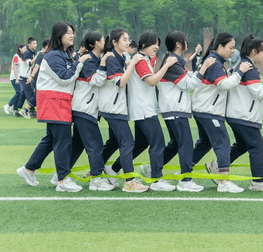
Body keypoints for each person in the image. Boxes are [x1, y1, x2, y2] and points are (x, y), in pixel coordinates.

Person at [16, 22, 89, 192]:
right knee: (63, 141)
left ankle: (28, 169)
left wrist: (77, 58)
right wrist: (80, 62)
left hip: (59, 101)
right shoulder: (54, 55)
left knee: (51, 140)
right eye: (68, 33)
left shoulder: (62, 54)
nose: (72, 36)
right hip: (54, 101)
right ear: (59, 35)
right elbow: (65, 78)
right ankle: (62, 180)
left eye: (73, 32)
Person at [108, 32, 179, 192]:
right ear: (144, 45)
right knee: (158, 143)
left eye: (158, 44)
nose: (157, 47)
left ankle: (113, 169)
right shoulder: (140, 61)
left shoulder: (143, 59)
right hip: (144, 110)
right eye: (154, 44)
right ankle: (156, 179)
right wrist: (166, 65)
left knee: (141, 144)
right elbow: (152, 81)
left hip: (142, 109)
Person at [192, 32, 252, 193]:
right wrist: (240, 72)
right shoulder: (215, 63)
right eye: (230, 47)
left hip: (203, 109)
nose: (233, 51)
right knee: (223, 143)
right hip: (209, 111)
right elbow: (223, 85)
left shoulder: (214, 60)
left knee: (205, 143)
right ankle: (224, 181)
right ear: (219, 47)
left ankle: (184, 172)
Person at [154, 31, 213, 192]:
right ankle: (185, 180)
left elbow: (188, 79)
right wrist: (205, 67)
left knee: (175, 144)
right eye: (185, 40)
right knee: (185, 143)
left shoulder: (175, 61)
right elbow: (188, 85)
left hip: (174, 108)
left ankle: (154, 169)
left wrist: (201, 70)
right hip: (175, 109)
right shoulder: (172, 62)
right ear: (179, 44)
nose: (188, 42)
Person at [225, 34, 263, 192]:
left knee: (242, 145)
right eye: (262, 52)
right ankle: (258, 181)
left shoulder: (244, 64)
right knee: (257, 146)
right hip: (243, 116)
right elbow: (259, 93)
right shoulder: (249, 68)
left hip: (237, 114)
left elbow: (257, 89)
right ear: (254, 52)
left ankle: (218, 166)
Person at [63, 31, 115, 191]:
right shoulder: (90, 60)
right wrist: (105, 62)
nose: (103, 42)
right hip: (84, 109)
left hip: (85, 108)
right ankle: (96, 179)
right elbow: (97, 81)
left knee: (78, 145)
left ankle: (61, 174)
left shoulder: (94, 59)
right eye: (100, 40)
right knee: (95, 144)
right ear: (93, 44)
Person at [99, 28, 149, 193]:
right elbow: (120, 82)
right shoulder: (112, 58)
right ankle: (129, 182)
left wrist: (130, 61)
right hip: (114, 109)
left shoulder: (120, 57)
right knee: (127, 142)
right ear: (114, 42)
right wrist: (133, 63)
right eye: (125, 39)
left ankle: (95, 171)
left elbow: (123, 67)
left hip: (115, 108)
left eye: (128, 39)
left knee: (114, 142)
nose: (128, 42)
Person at [16, 37, 39, 119]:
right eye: (33, 43)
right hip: (24, 77)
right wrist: (37, 56)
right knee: (30, 94)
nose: (35, 45)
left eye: (36, 43)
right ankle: (30, 111)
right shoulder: (27, 53)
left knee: (24, 94)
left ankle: (17, 110)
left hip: (28, 77)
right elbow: (29, 63)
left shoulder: (32, 52)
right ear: (29, 44)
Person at [4, 44, 26, 116]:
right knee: (19, 92)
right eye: (24, 48)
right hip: (15, 78)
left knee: (20, 93)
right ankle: (8, 105)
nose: (25, 50)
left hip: (20, 78)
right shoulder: (16, 57)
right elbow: (15, 69)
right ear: (20, 49)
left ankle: (15, 109)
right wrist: (16, 79)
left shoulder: (22, 57)